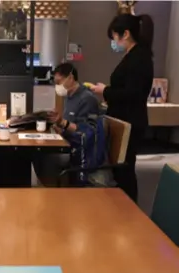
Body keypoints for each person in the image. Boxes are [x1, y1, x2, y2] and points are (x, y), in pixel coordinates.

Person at [90, 14, 154, 202]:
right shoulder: (133, 56)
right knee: (120, 168)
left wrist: (106, 91)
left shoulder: (139, 58)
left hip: (130, 122)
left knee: (125, 169)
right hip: (123, 119)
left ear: (125, 34)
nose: (113, 42)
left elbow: (133, 93)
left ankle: (129, 210)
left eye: (113, 37)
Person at [33, 63, 100, 187]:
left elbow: (86, 133)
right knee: (37, 154)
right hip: (66, 141)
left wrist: (62, 123)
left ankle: (53, 191)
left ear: (70, 77)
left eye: (59, 82)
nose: (58, 86)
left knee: (42, 156)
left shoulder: (87, 99)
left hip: (79, 150)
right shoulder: (69, 96)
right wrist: (56, 125)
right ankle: (47, 187)